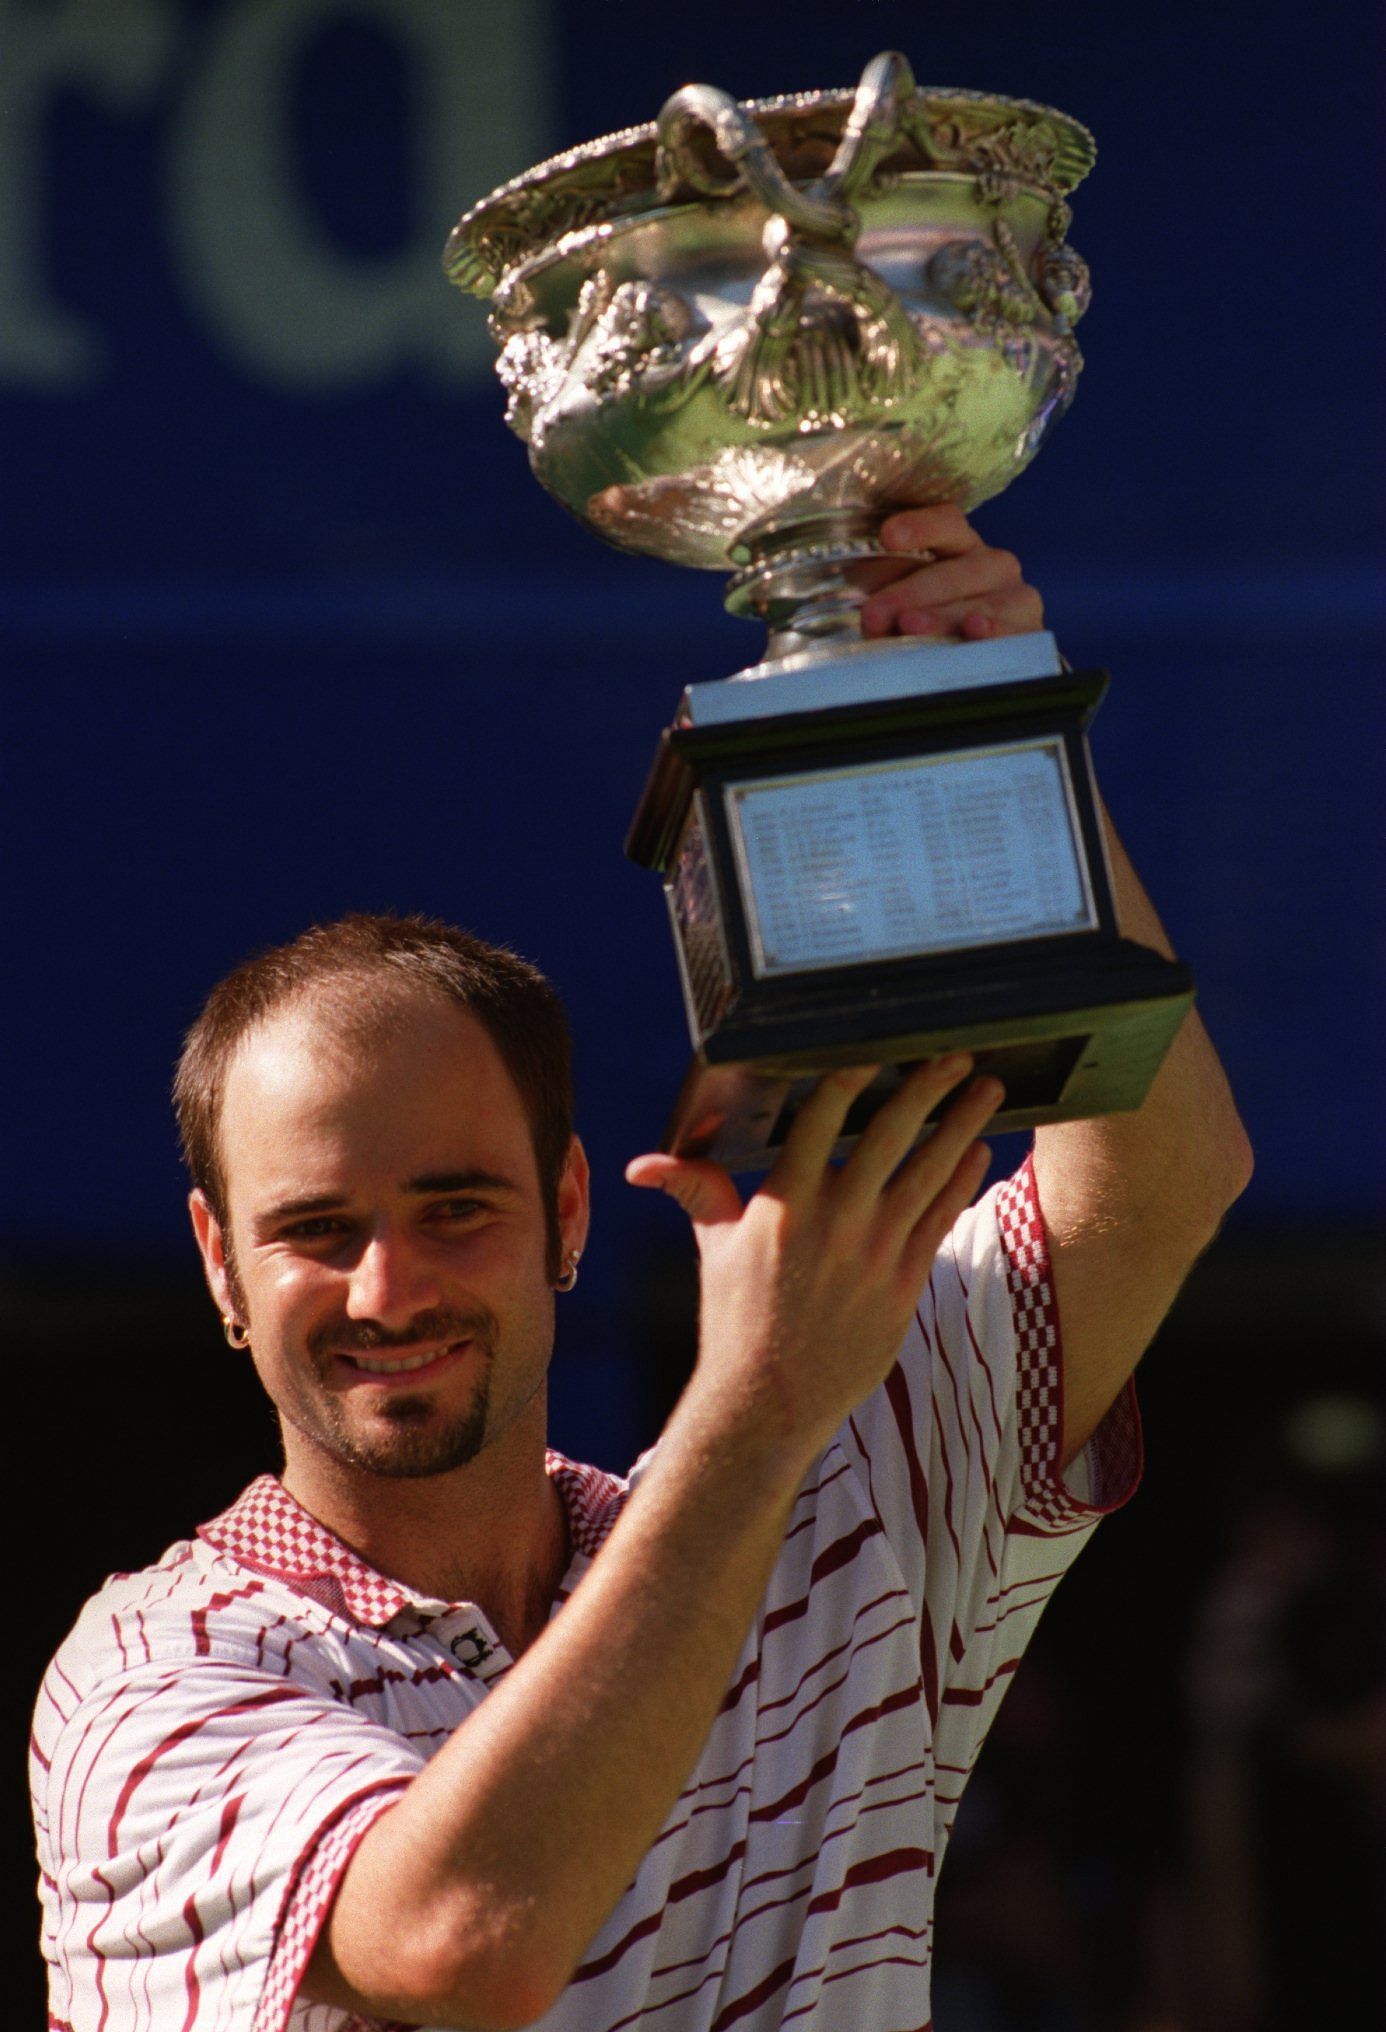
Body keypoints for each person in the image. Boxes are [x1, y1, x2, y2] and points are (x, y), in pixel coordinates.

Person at [31, 506, 1253, 2032]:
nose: (387, 1290)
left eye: (455, 1207)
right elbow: (471, 1938)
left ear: (566, 1211)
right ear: (219, 1263)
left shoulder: (830, 1495)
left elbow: (1158, 1184)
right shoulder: (147, 1674)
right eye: (315, 1232)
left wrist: (988, 727)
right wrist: (750, 1416)